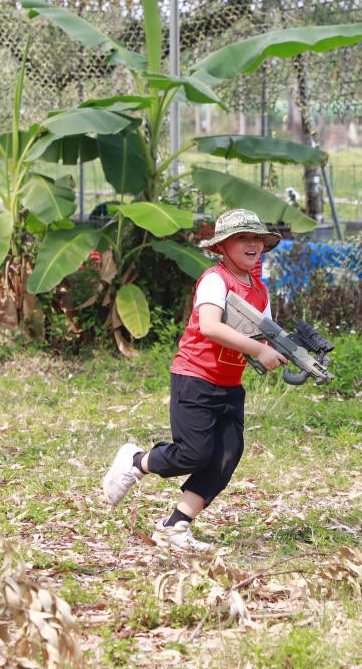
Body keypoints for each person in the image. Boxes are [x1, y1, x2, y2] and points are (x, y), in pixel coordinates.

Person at [101, 208, 288, 550]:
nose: (252, 245)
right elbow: (210, 326)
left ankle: (175, 527)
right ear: (222, 246)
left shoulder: (260, 292)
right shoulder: (216, 280)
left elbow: (261, 337)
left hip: (230, 386)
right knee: (193, 453)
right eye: (242, 238)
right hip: (195, 378)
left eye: (257, 239)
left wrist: (281, 351)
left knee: (226, 456)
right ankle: (136, 461)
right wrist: (260, 350)